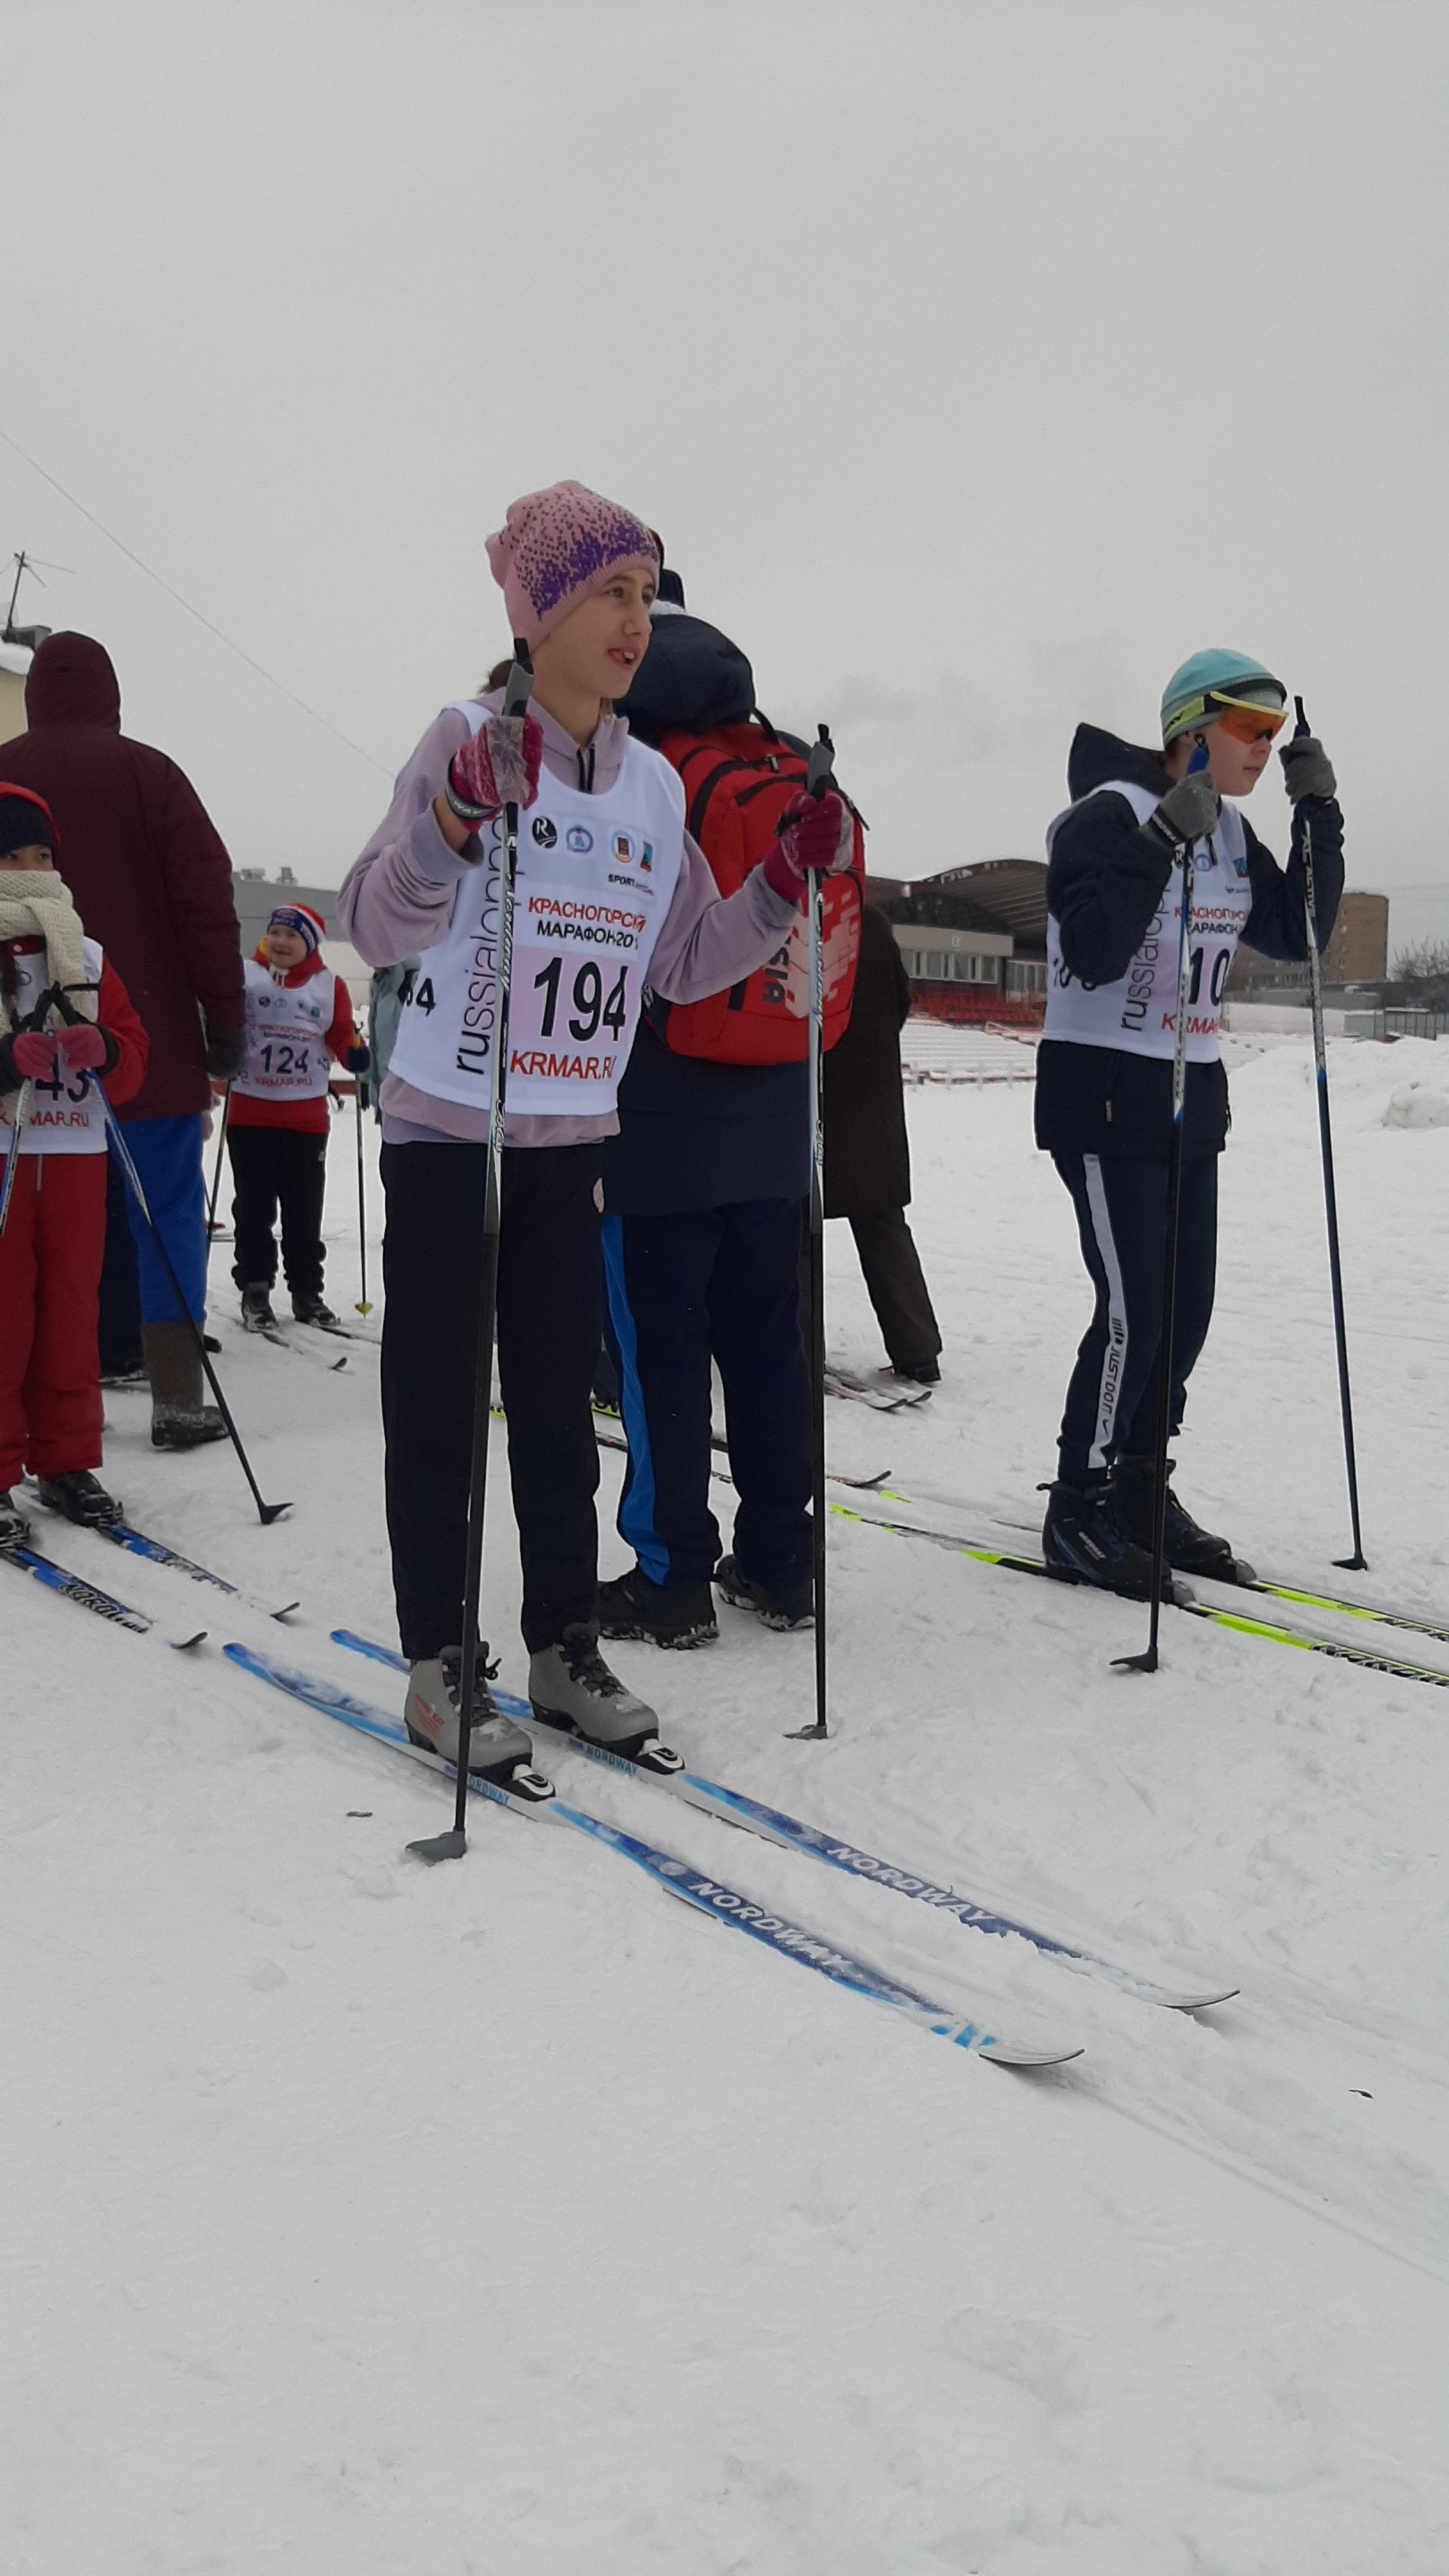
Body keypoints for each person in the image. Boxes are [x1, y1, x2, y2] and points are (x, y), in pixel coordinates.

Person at [338, 480, 856, 1781]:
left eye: (643, 594)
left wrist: (779, 880)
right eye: (611, 594)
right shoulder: (464, 735)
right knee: (440, 1407)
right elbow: (375, 921)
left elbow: (684, 962)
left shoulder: (653, 787)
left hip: (573, 1139)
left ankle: (563, 1644)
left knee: (562, 1418)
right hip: (452, 1132)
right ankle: (439, 1663)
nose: (636, 621)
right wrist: (453, 821)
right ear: (540, 612)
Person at [1035, 650, 1344, 1594]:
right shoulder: (1106, 815)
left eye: (1275, 734)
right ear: (1193, 728)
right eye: (1250, 729)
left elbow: (1299, 933)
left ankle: (1138, 1483)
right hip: (1105, 1094)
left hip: (1189, 1095)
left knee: (1185, 1307)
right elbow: (1093, 947)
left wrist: (1318, 816)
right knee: (1133, 1308)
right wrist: (1164, 833)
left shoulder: (1234, 832)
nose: (1264, 747)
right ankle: (1078, 1504)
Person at [594, 574, 820, 1648]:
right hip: (777, 1114)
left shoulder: (629, 771)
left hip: (655, 1119)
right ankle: (780, 1561)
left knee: (662, 1361)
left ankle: (671, 1576)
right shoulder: (777, 763)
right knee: (769, 1353)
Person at [1, 633, 245, 1450]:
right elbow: (205, 907)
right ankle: (175, 1396)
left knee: (29, 1223)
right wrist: (224, 1027)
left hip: (14, 1055)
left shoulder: (5, 772)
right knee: (164, 1209)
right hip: (146, 1038)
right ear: (110, 693)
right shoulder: (153, 775)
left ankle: (39, 1389)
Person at [0, 784, 149, 1545]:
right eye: (11, 857)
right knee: (3, 1316)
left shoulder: (84, 953)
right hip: (6, 1156)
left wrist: (109, 1049)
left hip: (75, 1155)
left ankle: (65, 1459)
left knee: (69, 1315)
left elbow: (135, 1056)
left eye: (41, 855)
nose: (31, 870)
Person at [808, 898, 942, 1384]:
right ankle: (918, 1351)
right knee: (884, 1227)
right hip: (872, 1100)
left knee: (795, 1231)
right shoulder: (872, 920)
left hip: (811, 1096)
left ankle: (801, 1350)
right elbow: (900, 1001)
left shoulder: (792, 911)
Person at [226, 900, 369, 1331]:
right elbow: (223, 1021)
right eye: (275, 932)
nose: (281, 941)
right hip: (250, 1113)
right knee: (253, 1211)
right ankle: (255, 1290)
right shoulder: (245, 976)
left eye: (291, 935)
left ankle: (307, 1292)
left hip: (306, 1119)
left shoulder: (328, 985)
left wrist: (354, 1052)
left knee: (304, 1214)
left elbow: (341, 1032)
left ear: (310, 943)